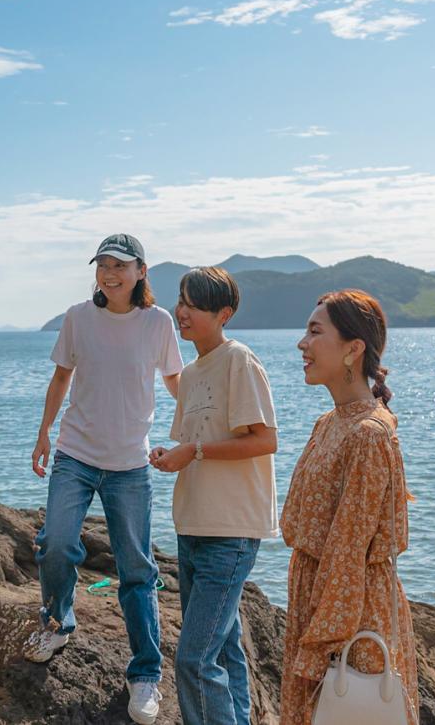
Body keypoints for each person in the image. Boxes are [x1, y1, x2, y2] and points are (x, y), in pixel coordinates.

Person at [26, 233, 184, 725]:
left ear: (141, 272)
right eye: (103, 265)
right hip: (75, 453)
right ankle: (57, 622)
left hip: (131, 465)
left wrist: (198, 435)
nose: (110, 273)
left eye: (121, 265)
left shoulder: (158, 323)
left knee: (137, 569)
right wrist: (43, 433)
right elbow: (61, 378)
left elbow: (178, 383)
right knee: (55, 543)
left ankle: (145, 675)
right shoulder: (78, 317)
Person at [279, 290, 417, 725]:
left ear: (353, 350)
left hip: (348, 619)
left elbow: (347, 550)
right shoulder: (332, 421)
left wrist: (318, 646)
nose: (303, 343)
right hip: (319, 600)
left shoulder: (368, 434)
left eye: (315, 332)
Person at [150, 267, 279, 725]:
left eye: (193, 305)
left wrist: (195, 449)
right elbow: (194, 445)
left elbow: (265, 440)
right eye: (180, 301)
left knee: (193, 660)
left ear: (223, 313)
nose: (181, 312)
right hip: (193, 527)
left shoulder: (238, 360)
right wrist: (171, 454)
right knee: (223, 651)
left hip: (231, 534)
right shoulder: (188, 375)